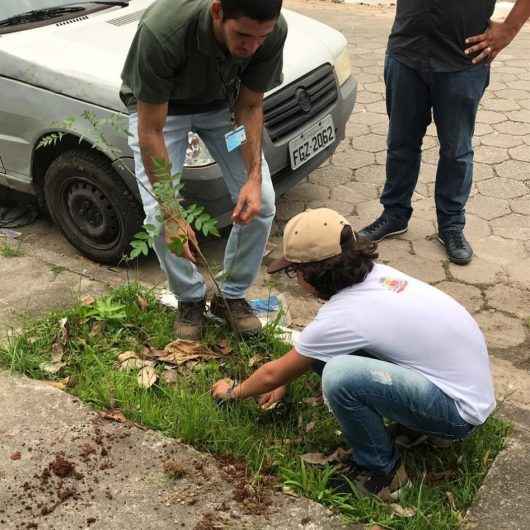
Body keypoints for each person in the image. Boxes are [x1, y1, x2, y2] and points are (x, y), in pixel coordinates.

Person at [212, 208, 496, 497]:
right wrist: (285, 378)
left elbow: (274, 371)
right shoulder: (378, 277)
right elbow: (316, 342)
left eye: (292, 271)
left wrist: (232, 393)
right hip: (464, 391)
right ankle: (420, 429)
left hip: (457, 412)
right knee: (326, 354)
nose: (294, 278)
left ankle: (383, 474)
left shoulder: (346, 315)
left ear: (311, 274)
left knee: (339, 376)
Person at [120, 0, 287, 338]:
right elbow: (151, 129)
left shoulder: (271, 31)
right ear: (217, 12)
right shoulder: (161, 31)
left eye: (260, 38)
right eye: (242, 35)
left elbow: (251, 104)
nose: (251, 47)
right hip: (162, 114)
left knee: (263, 202)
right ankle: (189, 298)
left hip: (221, 110)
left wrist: (253, 177)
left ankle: (230, 295)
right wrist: (172, 214)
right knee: (160, 217)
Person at [358, 0, 530, 265]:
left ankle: (451, 225)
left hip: (462, 61)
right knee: (401, 143)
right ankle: (394, 214)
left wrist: (509, 29)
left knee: (456, 150)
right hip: (406, 52)